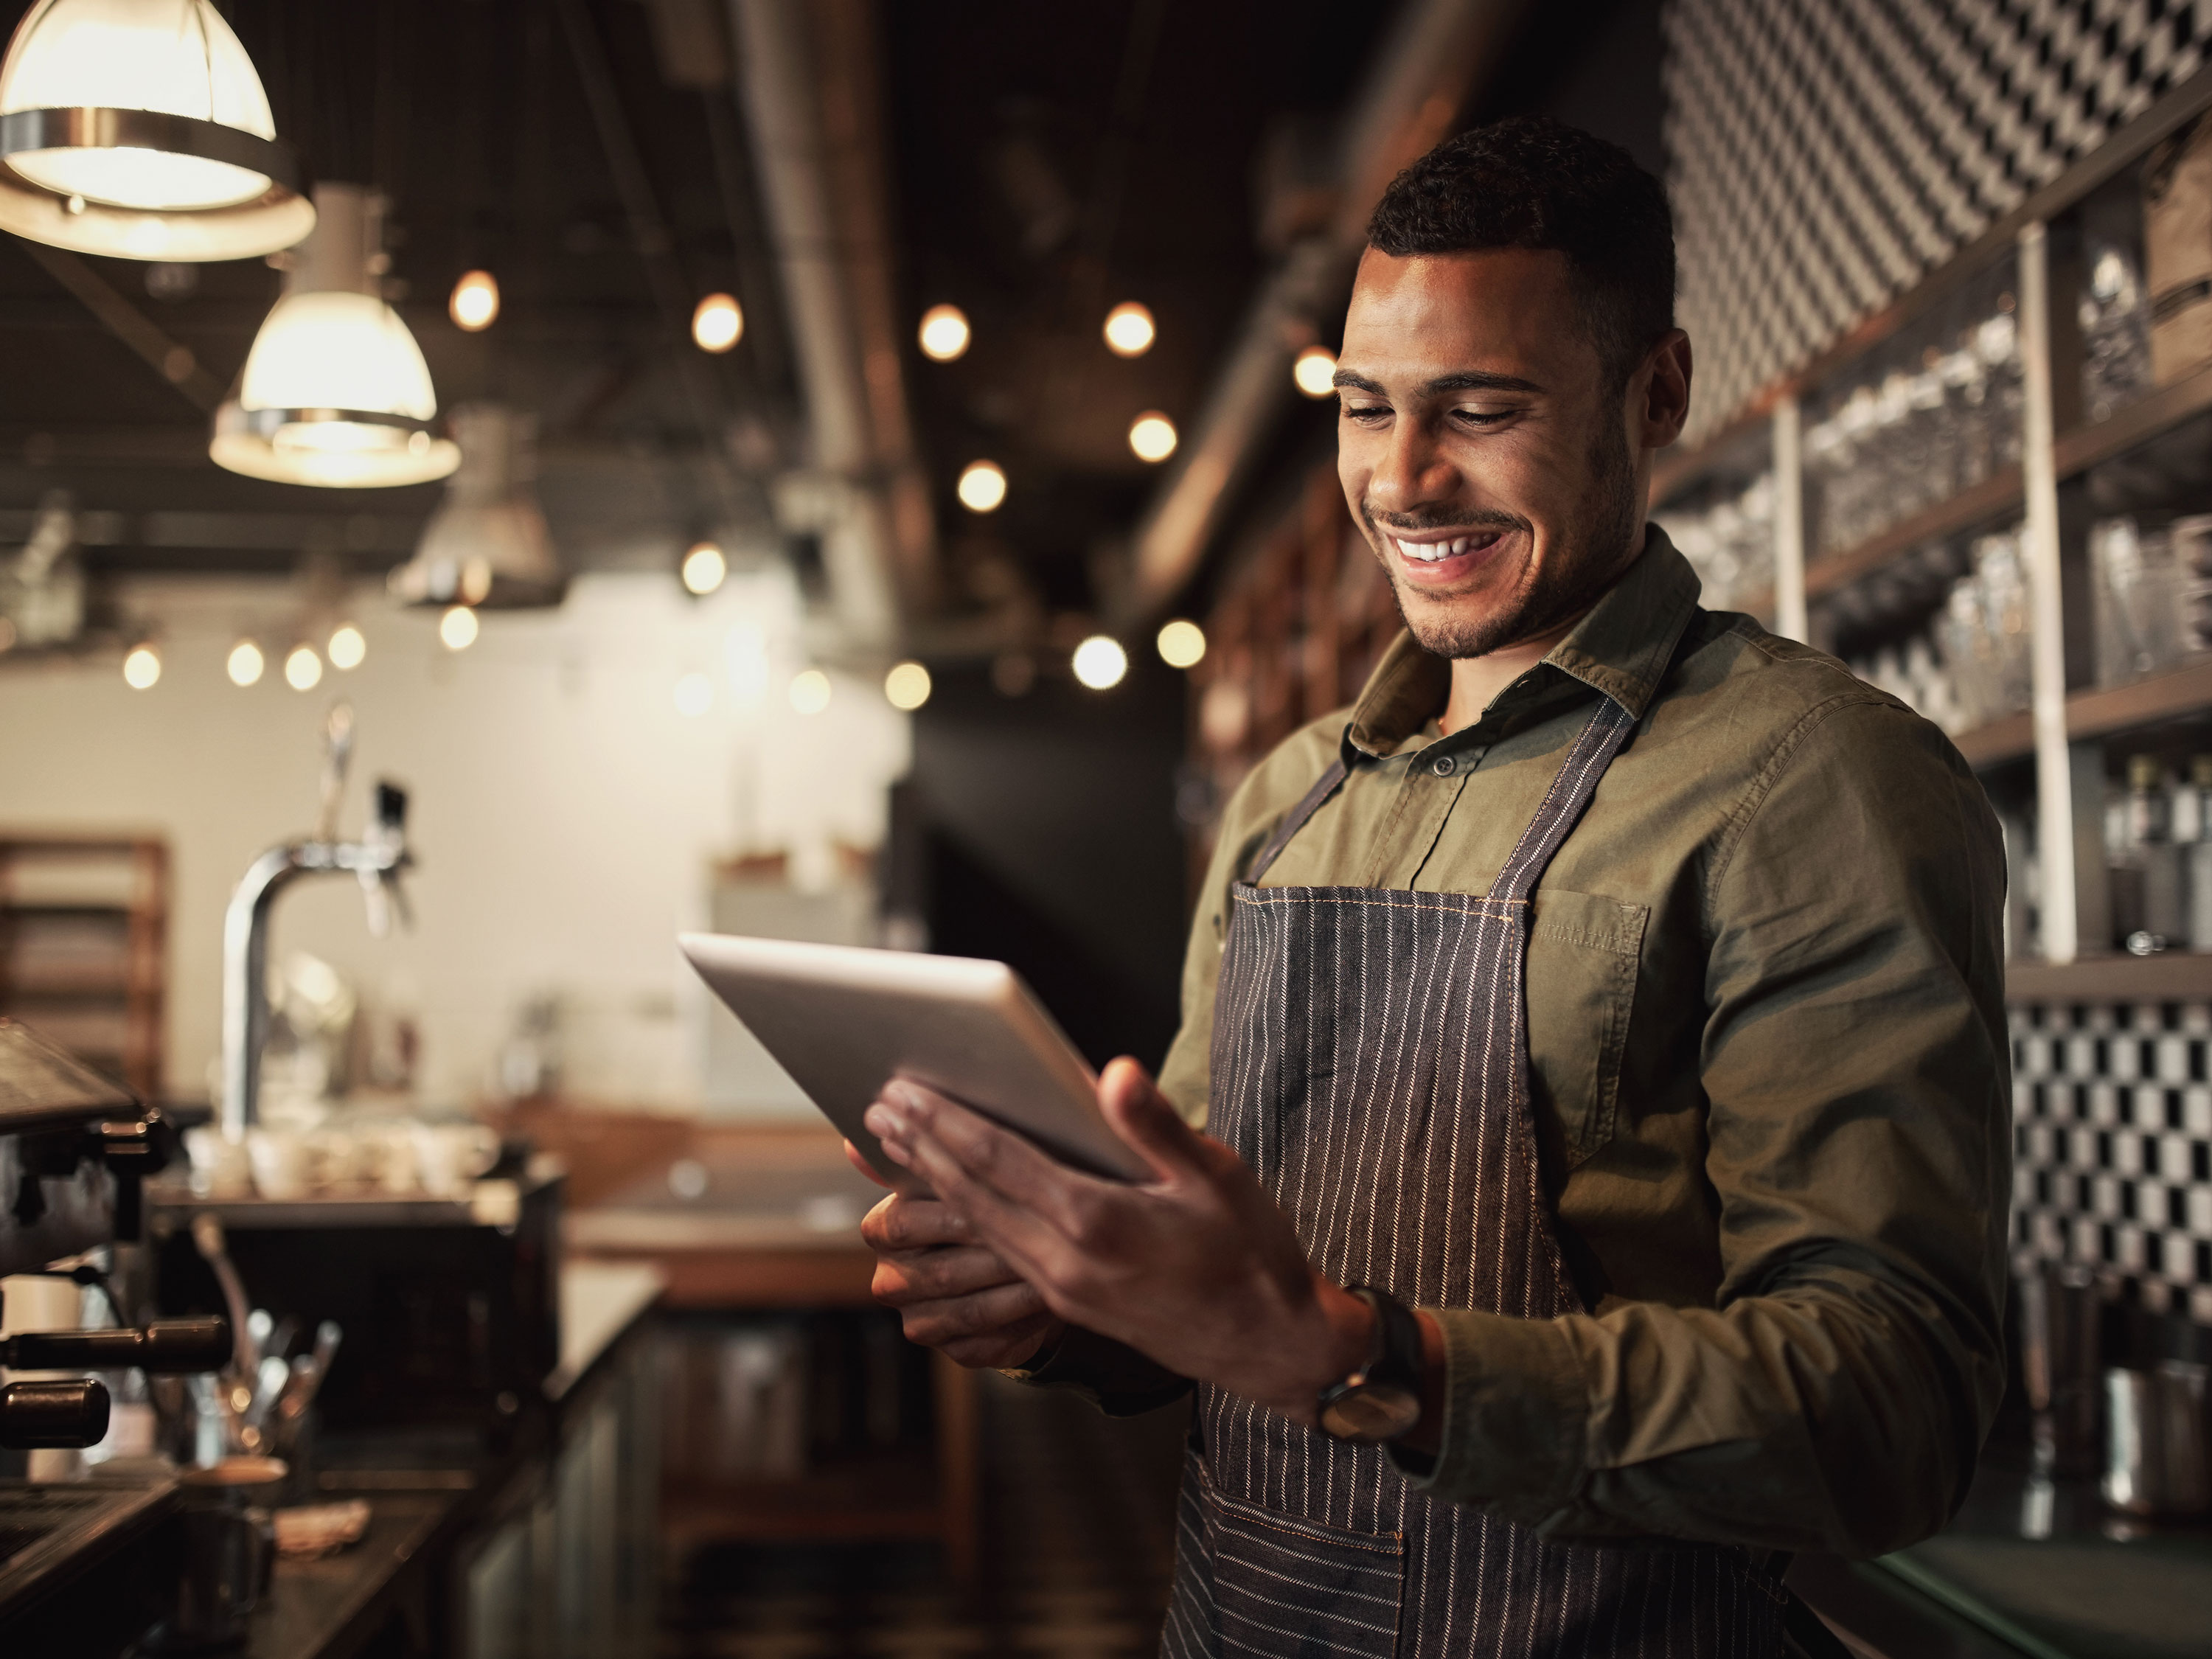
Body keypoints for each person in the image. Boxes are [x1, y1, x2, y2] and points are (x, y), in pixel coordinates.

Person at [852, 116, 2009, 1657]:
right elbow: (1208, 1283)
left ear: (1654, 392)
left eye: (1482, 407)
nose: (1403, 478)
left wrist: (1359, 1356)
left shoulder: (1814, 780)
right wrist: (1073, 1299)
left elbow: (1895, 1404)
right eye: (1364, 407)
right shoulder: (1287, 801)